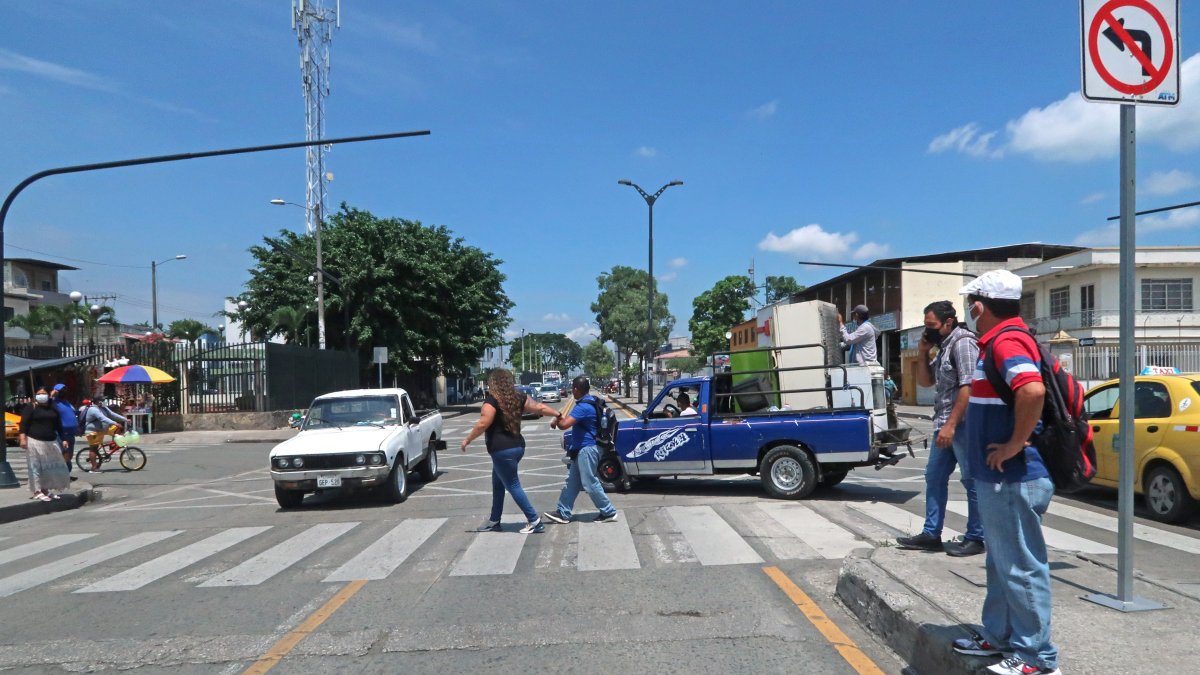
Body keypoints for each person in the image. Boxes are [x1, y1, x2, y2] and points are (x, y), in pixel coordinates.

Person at [949, 270, 1059, 675]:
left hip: (1012, 476)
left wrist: (1014, 443)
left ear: (980, 306)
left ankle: (1036, 658)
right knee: (1001, 561)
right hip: (999, 477)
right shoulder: (995, 342)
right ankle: (998, 634)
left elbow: (1032, 389)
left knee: (1021, 567)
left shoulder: (1007, 341)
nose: (969, 310)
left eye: (970, 304)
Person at [896, 301, 985, 557]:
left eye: (931, 325)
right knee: (934, 477)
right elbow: (926, 382)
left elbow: (969, 387)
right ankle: (931, 534)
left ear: (948, 322)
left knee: (971, 480)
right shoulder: (945, 346)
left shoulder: (963, 343)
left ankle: (976, 537)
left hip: (961, 425)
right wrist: (923, 352)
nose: (928, 330)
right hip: (943, 423)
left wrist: (951, 425)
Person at [459, 368, 561, 534]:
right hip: (517, 446)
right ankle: (494, 520)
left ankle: (534, 520)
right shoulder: (519, 397)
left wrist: (467, 439)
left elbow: (483, 423)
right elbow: (539, 407)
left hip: (502, 450)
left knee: (513, 485)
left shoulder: (492, 401)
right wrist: (558, 413)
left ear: (493, 383)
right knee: (498, 484)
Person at [543, 376, 619, 525]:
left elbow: (564, 425)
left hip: (587, 449)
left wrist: (557, 416)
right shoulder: (590, 401)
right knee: (571, 482)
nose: (572, 391)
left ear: (576, 389)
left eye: (573, 389)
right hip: (582, 450)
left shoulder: (583, 407)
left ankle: (609, 511)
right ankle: (563, 512)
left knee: (589, 482)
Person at [19, 387, 70, 501]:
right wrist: (22, 439)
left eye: (43, 393)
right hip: (34, 440)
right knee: (35, 466)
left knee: (49, 468)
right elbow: (23, 424)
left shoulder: (53, 407)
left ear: (48, 394)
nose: (41, 395)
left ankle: (45, 489)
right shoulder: (31, 407)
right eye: (39, 393)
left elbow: (59, 425)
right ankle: (37, 491)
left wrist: (64, 439)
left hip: (51, 441)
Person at [78, 397, 127, 473]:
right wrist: (115, 423)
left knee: (116, 429)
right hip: (93, 431)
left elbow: (112, 414)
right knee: (93, 449)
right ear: (99, 402)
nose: (105, 402)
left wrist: (125, 419)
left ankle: (113, 444)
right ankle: (94, 468)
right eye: (103, 400)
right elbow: (102, 418)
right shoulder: (93, 409)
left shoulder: (104, 407)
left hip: (102, 430)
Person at [50, 384, 78, 476]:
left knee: (69, 454)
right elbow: (44, 405)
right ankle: (63, 474)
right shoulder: (53, 402)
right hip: (61, 434)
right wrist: (51, 396)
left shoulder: (66, 402)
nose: (63, 392)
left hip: (71, 433)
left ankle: (64, 473)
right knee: (64, 454)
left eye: (64, 390)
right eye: (60, 391)